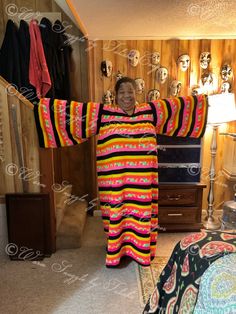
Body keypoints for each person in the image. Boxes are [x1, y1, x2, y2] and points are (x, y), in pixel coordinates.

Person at [34, 77, 208, 268]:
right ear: (116, 96)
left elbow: (178, 107)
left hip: (142, 185)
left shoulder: (150, 111)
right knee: (118, 216)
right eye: (122, 92)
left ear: (136, 93)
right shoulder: (102, 113)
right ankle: (117, 252)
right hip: (115, 184)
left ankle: (140, 252)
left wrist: (203, 101)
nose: (127, 96)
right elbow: (73, 113)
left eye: (130, 92)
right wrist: (43, 106)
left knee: (140, 216)